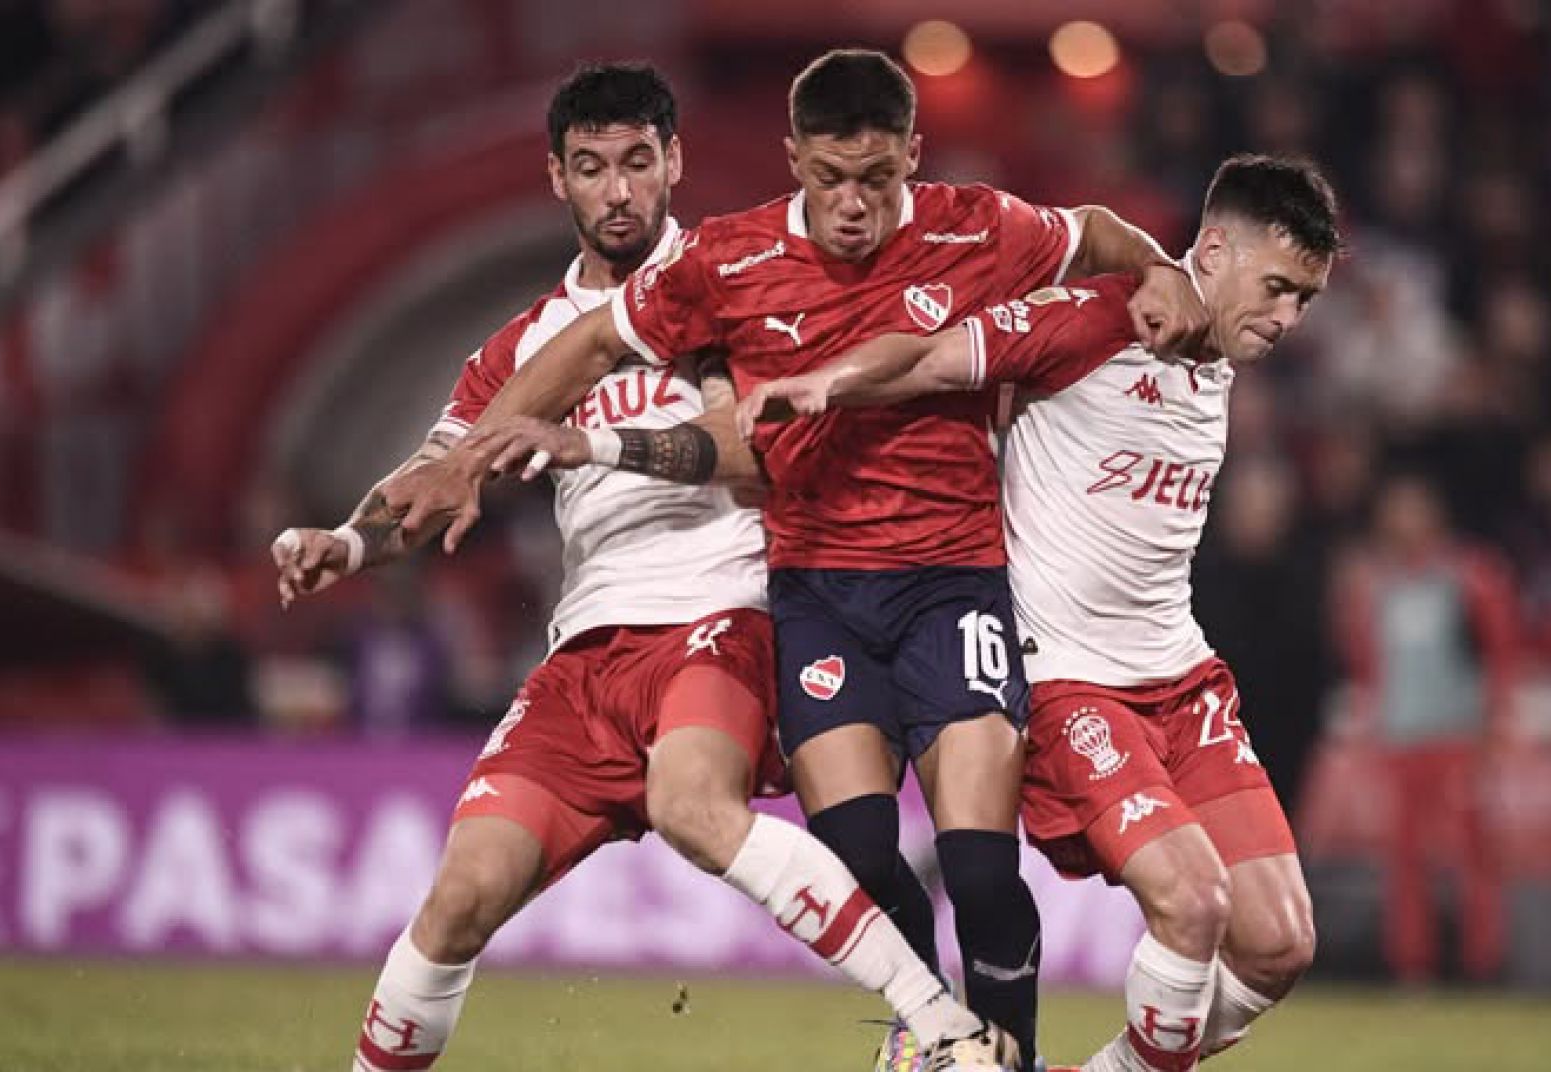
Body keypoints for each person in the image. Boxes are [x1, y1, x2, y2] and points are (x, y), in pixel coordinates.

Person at [381, 49, 1205, 1071]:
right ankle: (936, 1030)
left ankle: (1007, 1060)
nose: (852, 205)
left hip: (953, 585)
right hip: (816, 599)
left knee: (981, 869)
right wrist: (467, 457)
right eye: (827, 179)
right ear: (792, 160)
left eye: (875, 179)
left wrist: (1161, 267)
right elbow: (593, 344)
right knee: (861, 856)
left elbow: (1092, 235)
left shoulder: (977, 225)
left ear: (913, 154)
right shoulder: (728, 261)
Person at [271, 64, 1010, 1072]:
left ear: (673, 163)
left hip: (723, 616)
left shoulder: (732, 280)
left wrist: (597, 446)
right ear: (556, 179)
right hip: (585, 654)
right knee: (456, 901)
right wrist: (348, 541)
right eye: (590, 168)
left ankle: (941, 1025)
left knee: (690, 802)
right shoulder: (527, 346)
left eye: (634, 163)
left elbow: (761, 446)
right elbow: (440, 472)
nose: (616, 190)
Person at [721, 154, 1342, 1070]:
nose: (1288, 318)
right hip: (1072, 684)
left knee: (1280, 943)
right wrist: (830, 381)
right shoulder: (1100, 319)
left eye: (1306, 301)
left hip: (1183, 677)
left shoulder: (1214, 358)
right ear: (1212, 251)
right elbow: (934, 353)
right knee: (1195, 904)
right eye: (1279, 287)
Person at [1335, 474, 1518, 986]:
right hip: (1401, 741)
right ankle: (1413, 967)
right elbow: (1368, 662)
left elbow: (1500, 654)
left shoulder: (1469, 577)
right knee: (1405, 860)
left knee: (1471, 856)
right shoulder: (1379, 588)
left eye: (1412, 509)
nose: (1402, 522)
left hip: (1457, 737)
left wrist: (1494, 726)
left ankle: (1483, 966)